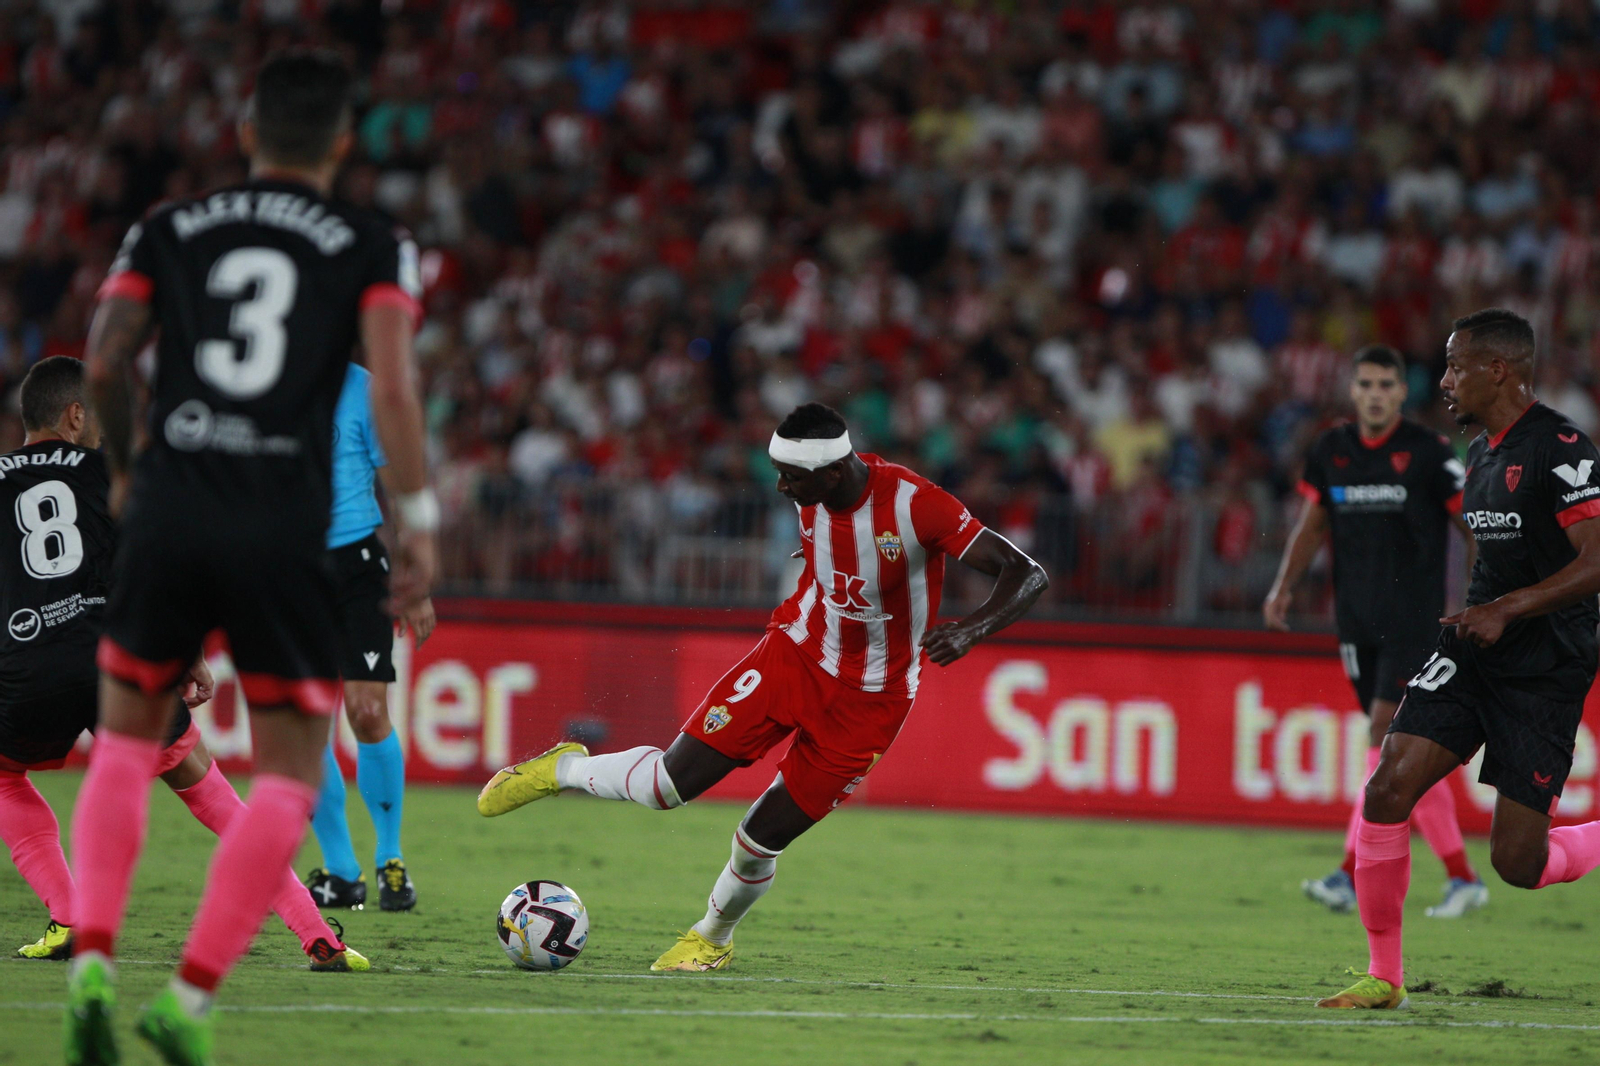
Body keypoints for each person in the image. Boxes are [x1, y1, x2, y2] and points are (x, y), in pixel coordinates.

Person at [65, 49, 435, 1065]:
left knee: (129, 742)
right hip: (286, 528)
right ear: (344, 144)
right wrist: (424, 525)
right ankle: (187, 997)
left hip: (173, 510)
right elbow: (395, 391)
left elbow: (103, 359)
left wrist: (134, 475)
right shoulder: (371, 241)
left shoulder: (169, 226)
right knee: (287, 772)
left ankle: (92, 959)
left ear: (245, 133)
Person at [477, 402, 1049, 971]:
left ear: (831, 472)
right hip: (795, 655)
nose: (778, 486)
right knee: (666, 785)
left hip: (872, 701)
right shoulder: (814, 494)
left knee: (760, 840)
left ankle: (711, 938)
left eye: (790, 477)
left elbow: (1026, 571)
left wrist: (972, 629)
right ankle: (563, 769)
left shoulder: (915, 504)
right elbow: (838, 555)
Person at [0, 358, 365, 973]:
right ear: (75, 416)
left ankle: (71, 917)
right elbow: (160, 561)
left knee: (5, 778)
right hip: (117, 657)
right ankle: (317, 937)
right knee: (212, 796)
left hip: (25, 663)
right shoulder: (112, 471)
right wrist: (189, 649)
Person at [1319, 308, 1600, 1010]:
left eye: (1454, 365)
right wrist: (1479, 612)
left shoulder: (1561, 446)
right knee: (1386, 787)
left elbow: (1598, 560)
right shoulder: (1481, 454)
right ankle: (1385, 976)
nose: (1442, 381)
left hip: (1547, 665)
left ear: (1498, 368)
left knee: (1517, 863)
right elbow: (1488, 565)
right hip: (1474, 650)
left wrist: (1508, 609)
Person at [1264, 345, 1487, 917]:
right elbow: (1312, 525)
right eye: (1365, 384)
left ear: (1400, 393)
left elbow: (1473, 525)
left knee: (1386, 731)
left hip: (1414, 623)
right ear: (1353, 390)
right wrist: (1283, 586)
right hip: (1356, 622)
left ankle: (1349, 871)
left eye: (1386, 384)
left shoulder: (1428, 453)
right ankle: (1463, 877)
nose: (1375, 394)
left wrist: (1480, 595)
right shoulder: (1332, 452)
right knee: (1399, 754)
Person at [303, 360, 436, 912]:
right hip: (290, 567)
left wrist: (416, 583)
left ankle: (390, 858)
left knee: (366, 710)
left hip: (357, 563)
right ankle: (341, 872)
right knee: (306, 722)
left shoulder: (364, 388)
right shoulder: (267, 380)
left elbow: (402, 486)